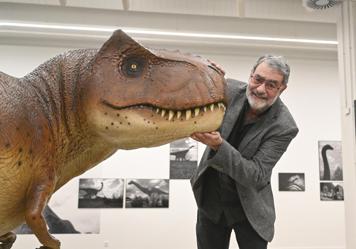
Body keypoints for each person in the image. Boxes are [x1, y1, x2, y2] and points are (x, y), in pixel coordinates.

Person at [190, 55, 299, 249]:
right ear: (251, 75)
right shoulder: (229, 90)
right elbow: (193, 88)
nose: (260, 89)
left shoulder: (284, 126)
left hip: (250, 209)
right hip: (211, 200)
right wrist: (207, 72)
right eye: (257, 79)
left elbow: (255, 175)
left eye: (272, 85)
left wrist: (218, 146)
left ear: (282, 89)